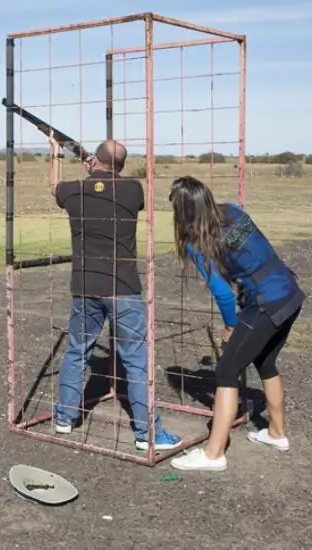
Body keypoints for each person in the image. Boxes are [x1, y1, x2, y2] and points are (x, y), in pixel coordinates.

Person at [48, 136, 182, 452]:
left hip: (85, 287)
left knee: (77, 351)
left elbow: (54, 187)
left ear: (94, 160)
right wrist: (98, 172)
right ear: (121, 165)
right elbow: (109, 187)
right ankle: (146, 434)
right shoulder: (133, 190)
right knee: (135, 362)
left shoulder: (75, 190)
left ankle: (65, 418)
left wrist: (56, 154)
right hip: (124, 288)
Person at [166, 175, 306, 472]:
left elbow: (222, 294)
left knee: (227, 370)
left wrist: (231, 326)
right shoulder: (233, 211)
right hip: (290, 293)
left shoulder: (195, 241)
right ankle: (276, 433)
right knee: (266, 363)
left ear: (183, 211)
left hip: (266, 303)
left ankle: (214, 453)